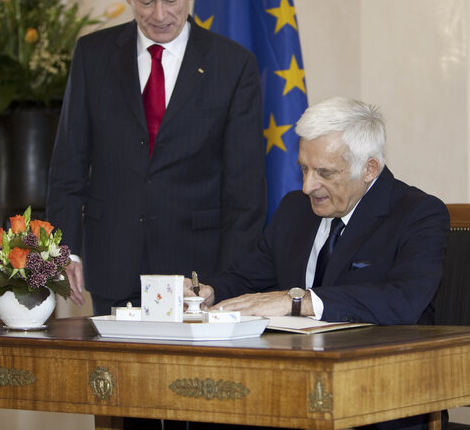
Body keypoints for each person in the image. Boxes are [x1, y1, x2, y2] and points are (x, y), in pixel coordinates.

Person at [187, 96, 449, 430]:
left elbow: (404, 300)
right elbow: (249, 278)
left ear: (369, 169)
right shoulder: (294, 209)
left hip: (381, 391)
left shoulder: (417, 214)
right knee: (206, 408)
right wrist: (210, 291)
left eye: (325, 173)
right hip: (291, 386)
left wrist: (299, 301)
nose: (309, 186)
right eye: (304, 169)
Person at [46, 0, 267, 317]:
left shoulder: (233, 65)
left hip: (198, 272)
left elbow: (245, 188)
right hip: (113, 260)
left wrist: (230, 280)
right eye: (146, 1)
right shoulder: (92, 56)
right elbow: (69, 163)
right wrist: (64, 249)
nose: (160, 14)